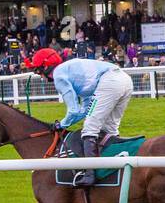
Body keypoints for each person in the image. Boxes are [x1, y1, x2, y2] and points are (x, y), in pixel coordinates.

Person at [23, 47, 134, 186]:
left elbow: (74, 111)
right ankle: (112, 169)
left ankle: (90, 174)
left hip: (110, 82)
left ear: (46, 67)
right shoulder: (70, 71)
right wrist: (64, 123)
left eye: (38, 71)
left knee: (89, 129)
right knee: (108, 129)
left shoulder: (59, 76)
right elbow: (85, 109)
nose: (40, 76)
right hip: (124, 80)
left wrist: (61, 125)